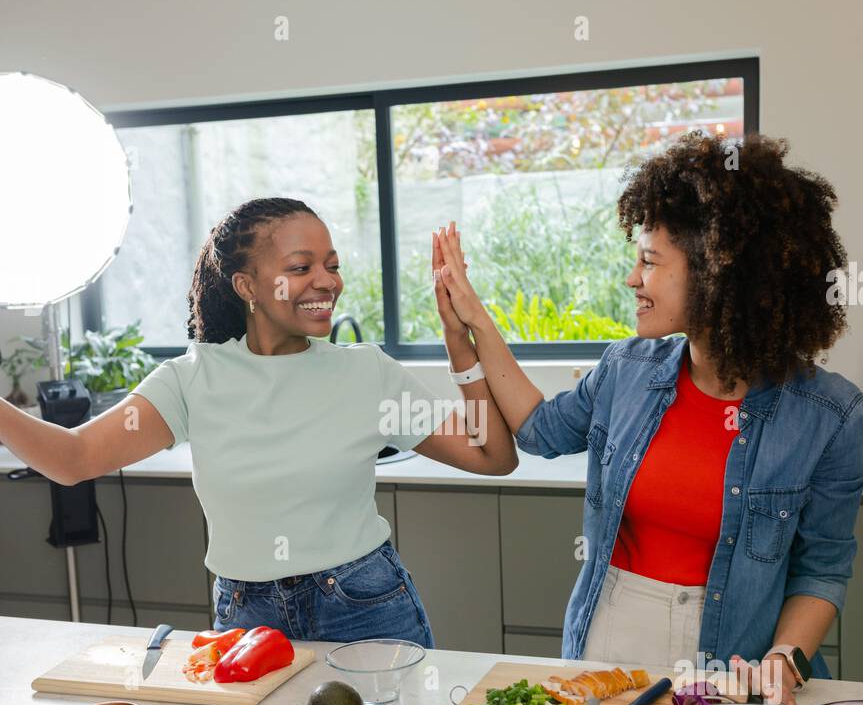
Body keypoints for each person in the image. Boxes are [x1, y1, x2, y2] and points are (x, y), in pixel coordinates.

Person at [432, 132, 863, 704]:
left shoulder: (832, 415)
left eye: (649, 261)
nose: (632, 278)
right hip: (607, 644)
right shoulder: (628, 368)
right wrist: (471, 323)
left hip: (729, 662)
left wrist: (785, 659)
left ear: (718, 274)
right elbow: (538, 431)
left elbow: (822, 568)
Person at [0, 198, 517, 646]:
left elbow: (492, 455)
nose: (326, 282)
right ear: (246, 285)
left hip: (364, 605)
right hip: (247, 619)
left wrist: (458, 337)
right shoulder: (189, 380)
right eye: (300, 267)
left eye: (332, 265)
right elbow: (72, 460)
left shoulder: (367, 373)